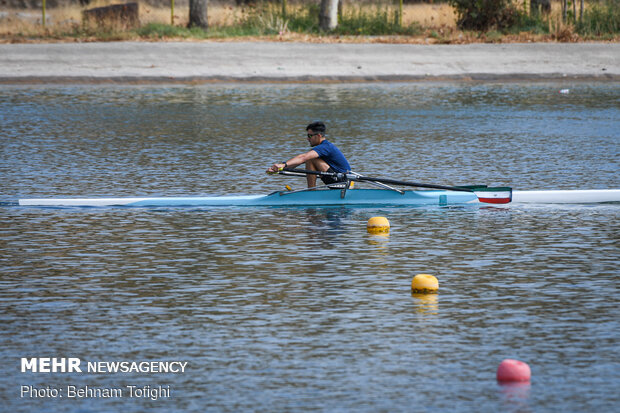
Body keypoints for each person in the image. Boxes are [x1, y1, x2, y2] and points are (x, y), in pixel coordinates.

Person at [267, 122, 351, 188]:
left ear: (318, 136)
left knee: (310, 159)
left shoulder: (325, 147)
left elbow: (303, 157)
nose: (307, 138)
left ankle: (311, 192)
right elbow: (298, 162)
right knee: (309, 159)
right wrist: (280, 168)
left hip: (342, 182)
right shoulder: (322, 148)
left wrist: (283, 164)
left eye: (310, 135)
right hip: (340, 181)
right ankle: (311, 191)